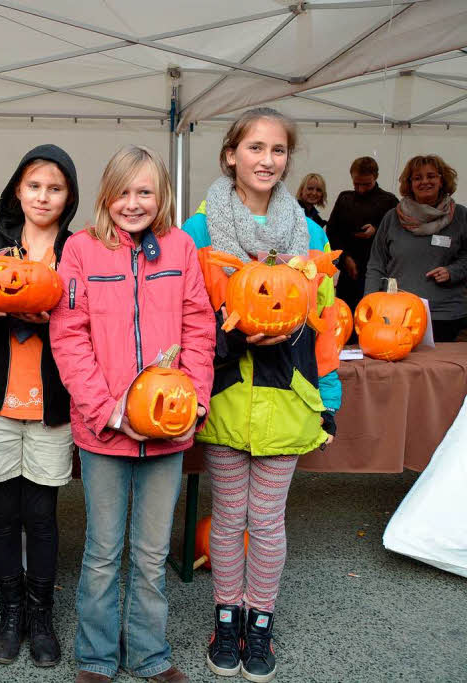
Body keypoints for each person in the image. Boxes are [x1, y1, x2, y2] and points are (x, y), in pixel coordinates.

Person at [182, 107, 342, 683]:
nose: (266, 160)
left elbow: (328, 324)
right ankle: (227, 616)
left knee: (267, 521)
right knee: (227, 519)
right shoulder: (198, 232)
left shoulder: (312, 233)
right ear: (231, 155)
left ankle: (261, 619)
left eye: (277, 151)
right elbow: (185, 318)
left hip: (285, 395)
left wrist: (328, 400)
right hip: (226, 394)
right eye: (254, 148)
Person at [49, 146, 216, 683]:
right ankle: (96, 658)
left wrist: (196, 403)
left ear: (162, 196)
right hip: (105, 433)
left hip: (169, 432)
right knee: (102, 551)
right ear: (106, 195)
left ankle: (149, 655)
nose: (133, 202)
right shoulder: (80, 250)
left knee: (150, 553)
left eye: (145, 192)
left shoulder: (181, 248)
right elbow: (69, 337)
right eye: (123, 191)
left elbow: (199, 330)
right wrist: (106, 410)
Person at [0, 145, 78, 667]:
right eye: (34, 186)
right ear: (17, 191)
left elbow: (92, 326)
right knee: (3, 515)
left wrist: (61, 322)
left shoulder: (79, 252)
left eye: (54, 187)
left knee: (42, 515)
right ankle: (9, 613)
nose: (43, 196)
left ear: (69, 196)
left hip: (52, 405)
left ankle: (40, 614)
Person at [365, 155, 467, 342]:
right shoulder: (392, 217)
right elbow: (376, 263)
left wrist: (453, 271)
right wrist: (370, 303)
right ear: (409, 183)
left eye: (431, 176)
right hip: (397, 315)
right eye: (418, 178)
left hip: (445, 316)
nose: (425, 181)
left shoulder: (460, 215)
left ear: (442, 179)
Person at [327, 156, 398, 312]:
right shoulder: (345, 198)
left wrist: (377, 230)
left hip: (378, 271)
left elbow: (398, 235)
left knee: (372, 313)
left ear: (376, 177)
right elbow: (332, 232)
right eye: (357, 184)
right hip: (348, 268)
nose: (361, 189)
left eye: (366, 184)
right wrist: (345, 257)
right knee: (344, 313)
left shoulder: (389, 201)